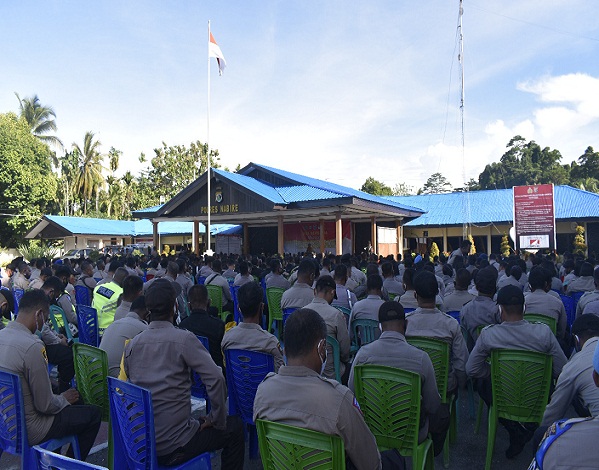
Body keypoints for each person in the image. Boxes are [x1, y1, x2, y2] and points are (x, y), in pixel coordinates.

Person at [254, 308, 404, 470]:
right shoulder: (339, 399)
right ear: (321, 348)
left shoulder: (263, 392)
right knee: (394, 460)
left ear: (284, 349)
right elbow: (371, 464)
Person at [123, 279, 244, 468]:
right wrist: (216, 419)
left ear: (148, 309)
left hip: (141, 446)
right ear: (175, 307)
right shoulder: (183, 339)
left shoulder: (133, 344)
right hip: (175, 447)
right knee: (235, 429)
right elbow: (216, 378)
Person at [466, 285, 568, 459]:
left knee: (482, 383)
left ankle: (514, 427)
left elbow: (471, 369)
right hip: (537, 396)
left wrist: (495, 373)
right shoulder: (544, 333)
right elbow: (562, 370)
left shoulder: (489, 335)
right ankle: (528, 427)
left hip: (502, 396)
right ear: (524, 308)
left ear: (500, 310)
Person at [0, 290, 101, 459]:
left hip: (5, 423)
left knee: (70, 399)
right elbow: (45, 406)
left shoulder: (2, 334)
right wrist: (63, 398)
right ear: (39, 314)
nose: (44, 324)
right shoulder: (33, 346)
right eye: (45, 319)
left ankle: (54, 458)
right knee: (93, 414)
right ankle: (67, 464)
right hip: (31, 429)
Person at [349, 301, 449, 456]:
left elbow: (352, 394)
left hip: (372, 429)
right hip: (411, 435)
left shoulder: (363, 355)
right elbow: (432, 405)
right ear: (406, 325)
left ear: (380, 326)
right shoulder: (421, 358)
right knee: (443, 414)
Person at [529, 340, 599, 470]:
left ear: (595, 378)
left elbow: (553, 413)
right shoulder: (545, 333)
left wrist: (546, 432)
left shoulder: (559, 446)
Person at [533, 314, 599, 450]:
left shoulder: (574, 365)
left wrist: (542, 428)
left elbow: (554, 412)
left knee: (540, 434)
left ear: (576, 339)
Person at [405, 270, 469, 394]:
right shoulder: (451, 324)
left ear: (415, 295)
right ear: (437, 293)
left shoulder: (405, 323)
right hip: (444, 388)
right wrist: (461, 385)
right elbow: (461, 363)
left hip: (412, 388)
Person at [221, 282, 284, 372]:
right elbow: (280, 372)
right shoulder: (270, 343)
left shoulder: (227, 338)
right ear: (262, 307)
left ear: (239, 308)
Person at [305, 275, 350, 381]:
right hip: (332, 374)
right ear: (332, 293)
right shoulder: (336, 315)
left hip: (307, 373)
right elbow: (345, 352)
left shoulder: (302, 313)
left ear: (314, 291)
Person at [179, 284, 226, 371]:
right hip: (215, 372)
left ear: (189, 306)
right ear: (209, 303)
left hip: (191, 375)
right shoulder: (219, 325)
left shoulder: (182, 326)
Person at [99, 296, 149, 377]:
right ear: (147, 314)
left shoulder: (113, 324)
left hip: (95, 376)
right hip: (115, 379)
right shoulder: (143, 329)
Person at [525, 266, 568, 347]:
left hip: (526, 345)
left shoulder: (523, 301)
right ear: (546, 284)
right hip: (550, 346)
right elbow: (562, 331)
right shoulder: (557, 302)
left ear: (530, 285)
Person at [460, 267, 501, 350]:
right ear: (495, 288)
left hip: (473, 352)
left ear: (476, 287)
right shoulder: (498, 310)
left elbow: (466, 340)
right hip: (495, 354)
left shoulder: (466, 309)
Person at [92, 267, 127, 334]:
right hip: (108, 331)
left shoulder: (98, 287)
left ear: (113, 276)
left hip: (92, 328)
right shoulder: (121, 293)